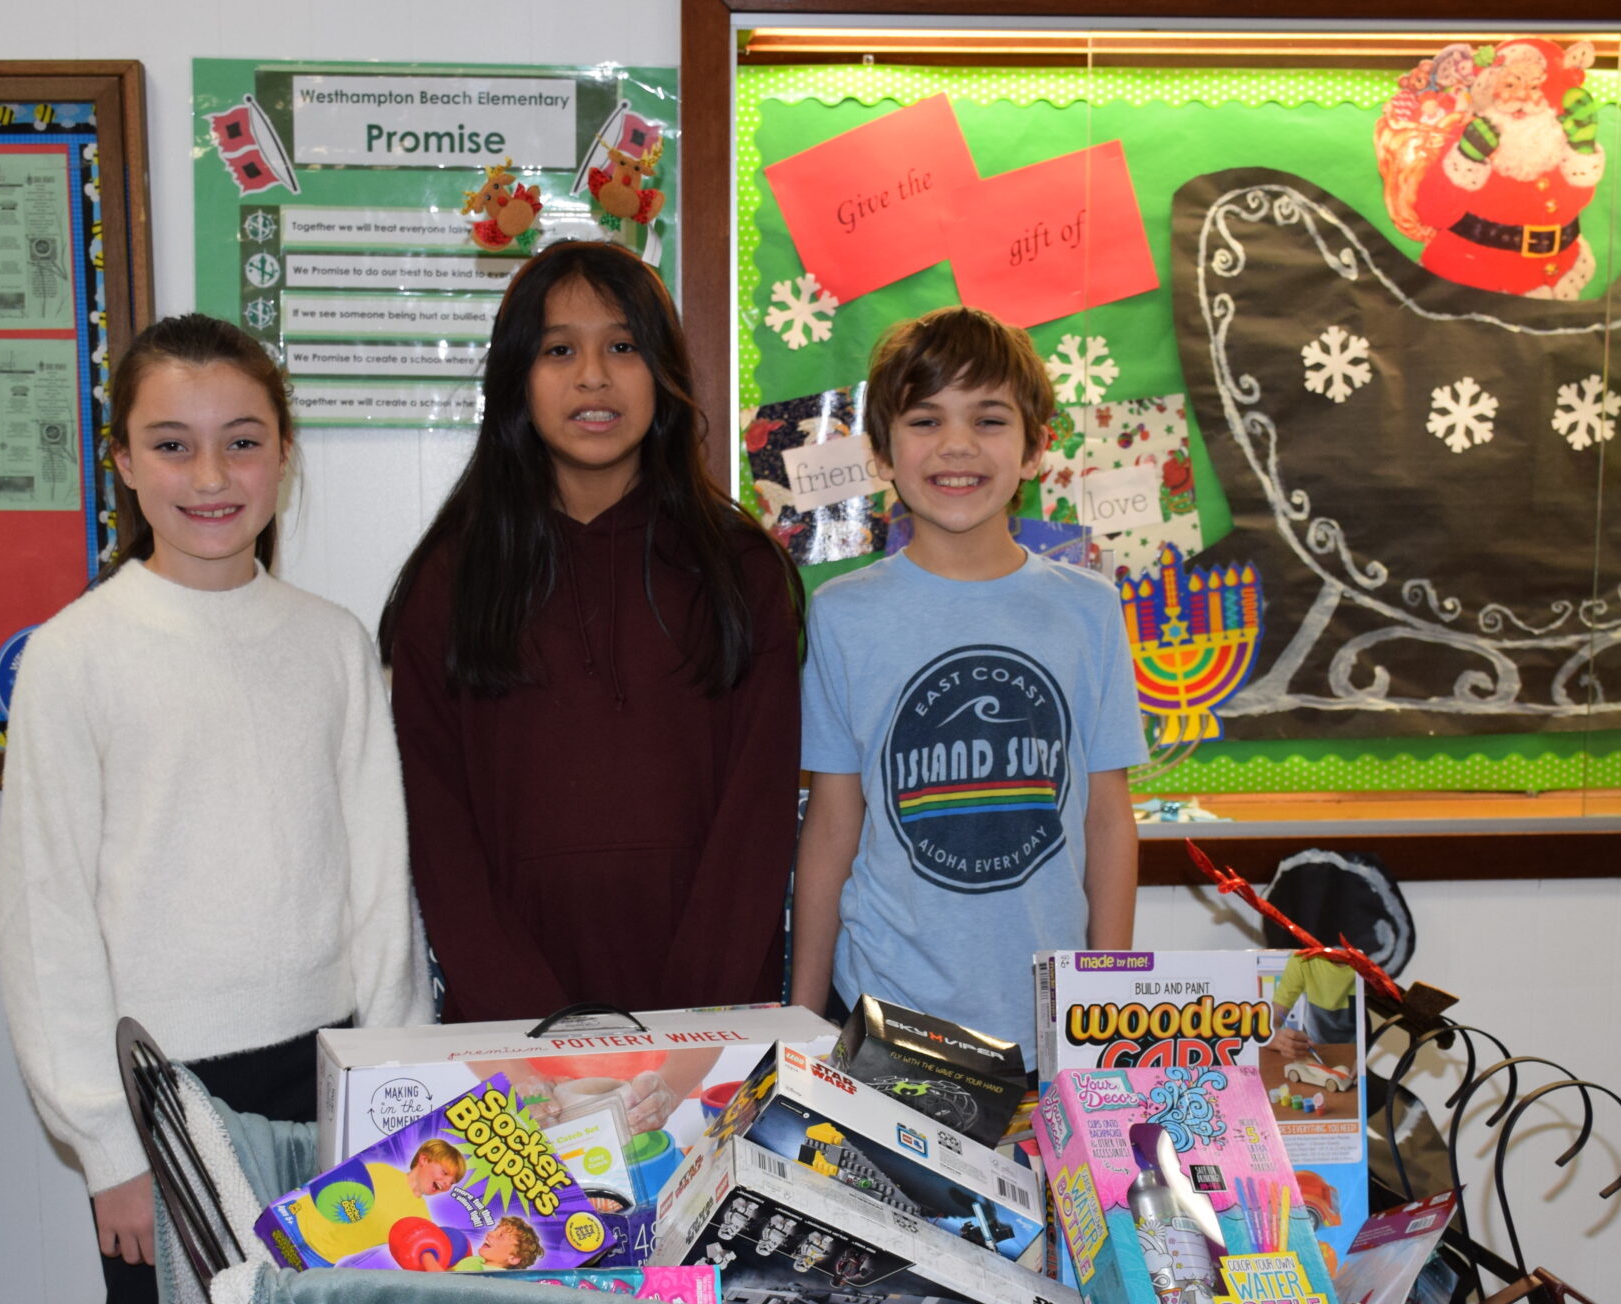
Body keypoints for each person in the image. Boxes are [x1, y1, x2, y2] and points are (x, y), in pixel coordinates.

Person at [0, 313, 432, 1304]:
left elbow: (380, 877)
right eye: (173, 443)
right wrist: (102, 1141)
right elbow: (47, 913)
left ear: (284, 460)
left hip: (316, 1066)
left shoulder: (326, 641)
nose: (210, 473)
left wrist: (390, 1074)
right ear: (122, 461)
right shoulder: (78, 653)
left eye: (243, 441)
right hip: (159, 1089)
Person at [380, 241, 803, 1027]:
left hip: (707, 1028)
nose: (593, 376)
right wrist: (532, 1029)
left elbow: (758, 819)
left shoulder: (740, 571)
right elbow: (437, 830)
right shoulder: (451, 581)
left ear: (664, 373)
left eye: (623, 346)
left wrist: (693, 1025)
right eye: (558, 349)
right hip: (509, 1033)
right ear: (516, 379)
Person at [792, 306, 1145, 1048]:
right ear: (882, 453)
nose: (957, 446)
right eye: (925, 420)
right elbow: (831, 823)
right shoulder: (841, 615)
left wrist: (1107, 1007)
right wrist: (800, 1017)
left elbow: (1108, 818)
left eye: (988, 419)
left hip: (1048, 1019)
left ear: (1034, 450)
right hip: (887, 1016)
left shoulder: (1088, 609)